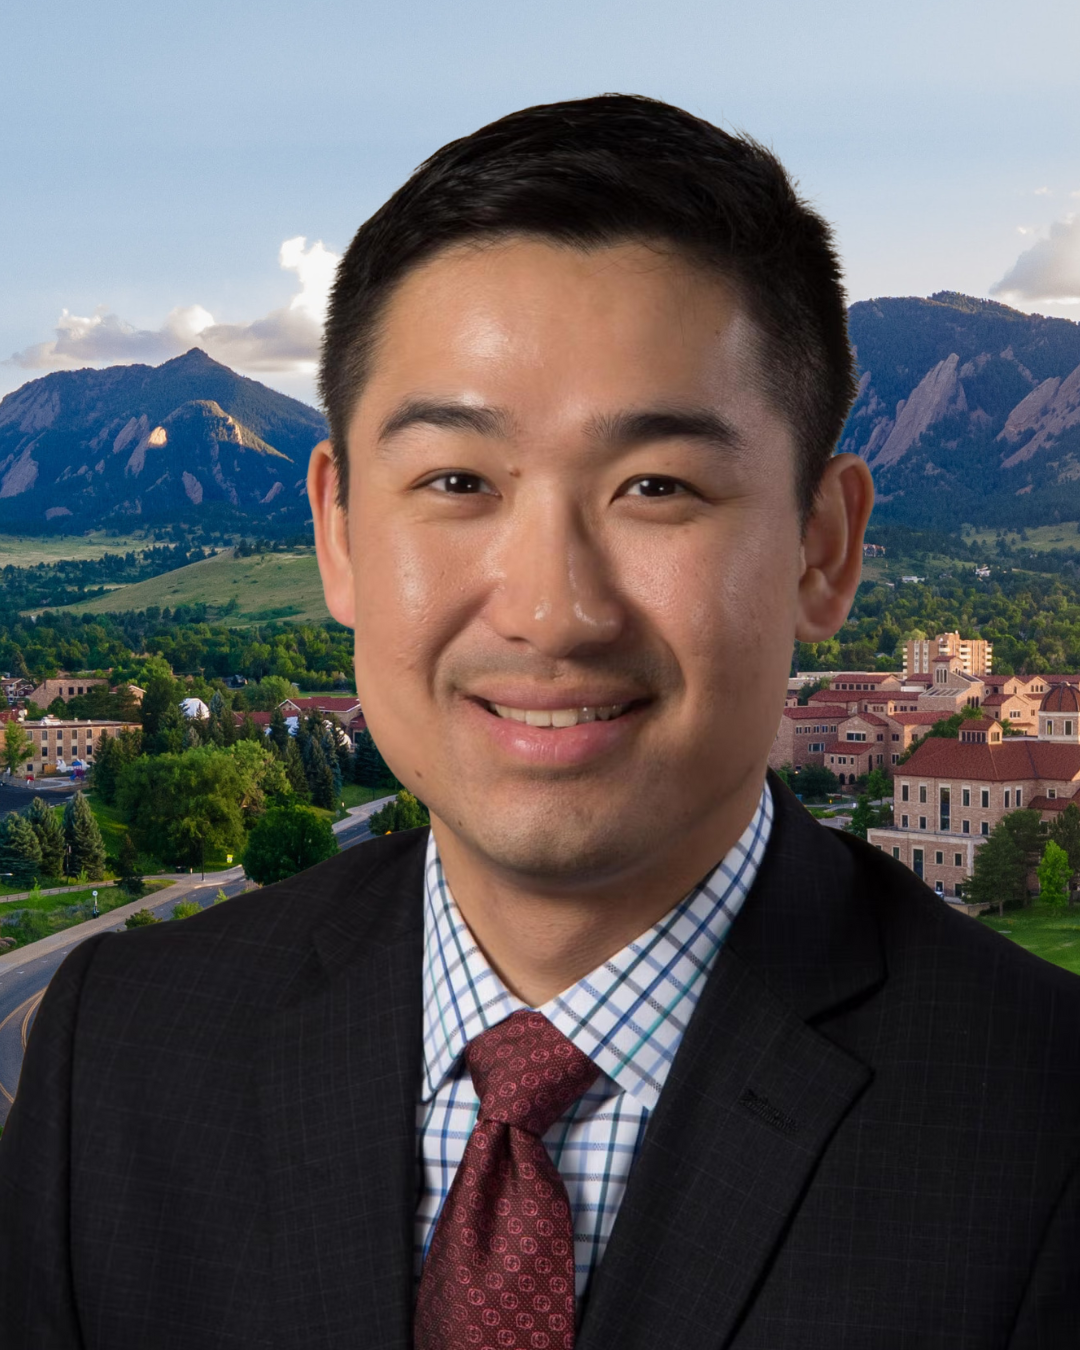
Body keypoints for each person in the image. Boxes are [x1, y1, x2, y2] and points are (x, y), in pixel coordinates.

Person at [1, 94, 1077, 1350]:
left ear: (822, 548)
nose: (554, 611)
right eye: (458, 481)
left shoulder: (1048, 1125)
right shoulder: (119, 1050)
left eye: (657, 487)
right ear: (339, 535)